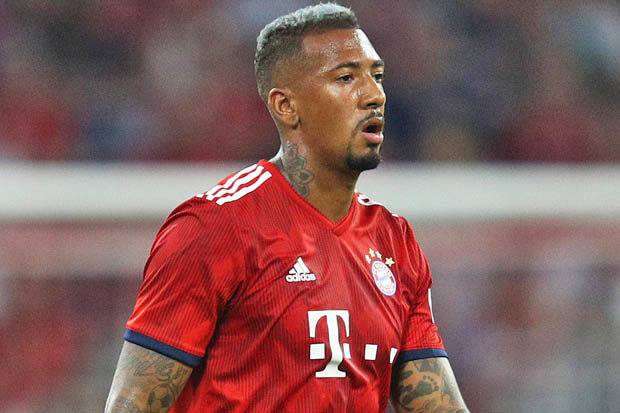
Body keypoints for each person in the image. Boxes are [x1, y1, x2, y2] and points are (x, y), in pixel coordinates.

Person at [105, 4, 468, 412]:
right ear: (286, 106)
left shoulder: (394, 242)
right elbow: (132, 404)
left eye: (377, 76)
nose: (374, 95)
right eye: (346, 78)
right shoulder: (216, 227)